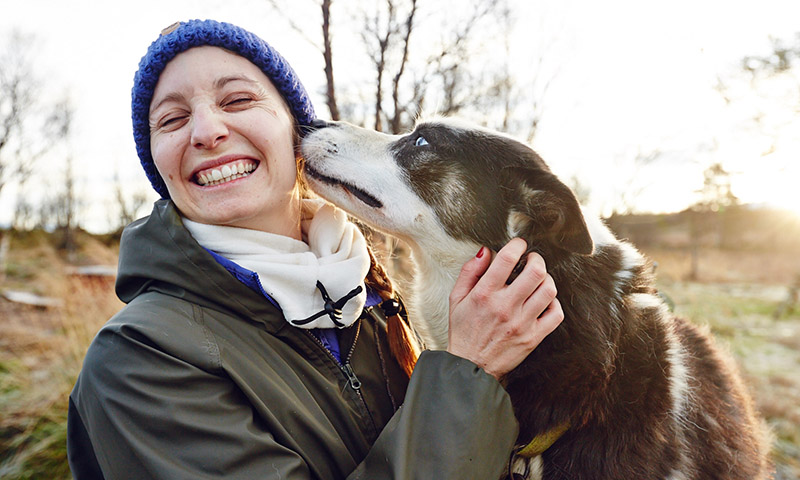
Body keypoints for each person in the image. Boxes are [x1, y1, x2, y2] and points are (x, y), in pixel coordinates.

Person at [67, 19, 564, 480]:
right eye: (172, 120)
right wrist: (466, 378)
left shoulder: (366, 296)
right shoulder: (137, 359)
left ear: (294, 128)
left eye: (237, 101)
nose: (206, 131)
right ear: (159, 164)